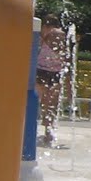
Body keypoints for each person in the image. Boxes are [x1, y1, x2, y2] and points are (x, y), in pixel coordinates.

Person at [36, 15, 66, 145]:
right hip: (49, 71)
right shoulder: (43, 36)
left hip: (45, 70)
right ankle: (48, 131)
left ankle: (46, 130)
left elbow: (60, 51)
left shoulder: (54, 34)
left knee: (45, 103)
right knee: (48, 104)